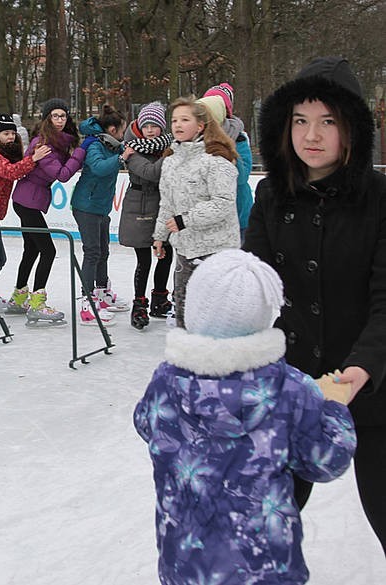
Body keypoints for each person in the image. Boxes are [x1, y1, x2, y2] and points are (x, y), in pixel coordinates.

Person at [134, 248, 356, 584]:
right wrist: (335, 405)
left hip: (185, 566)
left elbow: (144, 423)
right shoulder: (290, 389)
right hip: (265, 571)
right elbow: (326, 460)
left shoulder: (166, 381)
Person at [242, 56, 386, 554]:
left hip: (374, 390)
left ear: (351, 129)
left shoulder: (380, 197)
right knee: (263, 527)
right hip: (293, 386)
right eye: (300, 120)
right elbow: (252, 291)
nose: (312, 135)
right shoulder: (270, 195)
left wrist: (363, 366)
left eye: (328, 121)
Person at [152, 96, 240, 328]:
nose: (178, 125)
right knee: (184, 310)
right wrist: (160, 235)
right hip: (185, 249)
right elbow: (167, 202)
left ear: (200, 126)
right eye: (174, 120)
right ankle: (187, 358)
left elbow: (223, 203)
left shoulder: (217, 159)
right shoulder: (170, 161)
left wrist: (186, 220)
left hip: (216, 249)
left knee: (215, 315)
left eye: (184, 120)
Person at [7, 98, 88, 326]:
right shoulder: (44, 144)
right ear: (47, 119)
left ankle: (20, 297)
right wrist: (80, 154)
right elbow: (62, 175)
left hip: (28, 199)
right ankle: (37, 303)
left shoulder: (58, 142)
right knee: (48, 251)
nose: (60, 120)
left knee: (31, 250)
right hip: (27, 200)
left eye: (63, 116)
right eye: (55, 116)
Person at [0, 113, 51, 324]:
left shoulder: (4, 153)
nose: (11, 137)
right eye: (6, 133)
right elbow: (11, 172)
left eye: (13, 134)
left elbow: (18, 165)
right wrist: (34, 158)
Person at [71, 104, 132, 327]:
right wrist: (121, 158)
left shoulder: (112, 144)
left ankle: (102, 293)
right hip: (86, 205)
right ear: (113, 129)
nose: (124, 134)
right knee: (92, 251)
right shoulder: (95, 144)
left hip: (100, 206)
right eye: (123, 130)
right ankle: (86, 304)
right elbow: (98, 167)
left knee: (103, 251)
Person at [119, 102, 175, 330]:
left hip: (162, 205)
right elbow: (150, 173)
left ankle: (160, 299)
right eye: (147, 125)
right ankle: (139, 304)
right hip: (139, 207)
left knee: (166, 254)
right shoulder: (132, 149)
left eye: (155, 126)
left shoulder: (166, 147)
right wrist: (173, 154)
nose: (151, 130)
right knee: (143, 259)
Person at [202, 83, 253, 241]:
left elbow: (243, 176)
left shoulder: (239, 137)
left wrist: (228, 155)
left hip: (238, 214)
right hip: (209, 217)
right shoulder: (197, 136)